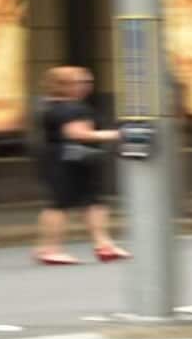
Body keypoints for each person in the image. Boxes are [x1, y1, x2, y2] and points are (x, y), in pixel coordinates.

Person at [33, 66, 130, 266]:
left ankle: (103, 244)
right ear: (64, 85)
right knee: (61, 204)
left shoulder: (50, 106)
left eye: (88, 82)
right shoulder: (72, 109)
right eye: (81, 82)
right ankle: (51, 248)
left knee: (92, 202)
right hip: (70, 161)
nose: (87, 86)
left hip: (63, 159)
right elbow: (78, 134)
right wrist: (118, 135)